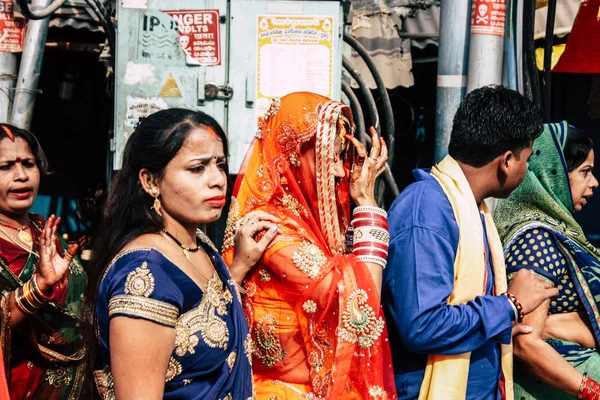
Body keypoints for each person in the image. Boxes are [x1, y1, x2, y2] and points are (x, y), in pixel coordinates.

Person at [85, 108, 278, 399]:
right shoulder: (145, 274)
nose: (217, 179)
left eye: (220, 164)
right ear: (151, 182)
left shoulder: (195, 242)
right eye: (197, 168)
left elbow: (207, 309)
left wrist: (237, 268)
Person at [382, 85, 560, 400]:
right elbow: (422, 325)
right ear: (506, 161)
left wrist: (499, 327)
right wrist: (509, 306)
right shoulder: (428, 210)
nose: (527, 170)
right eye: (527, 160)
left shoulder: (471, 209)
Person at [222, 92, 396, 399]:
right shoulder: (274, 231)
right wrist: (366, 204)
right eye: (332, 158)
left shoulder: (302, 223)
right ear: (296, 156)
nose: (342, 172)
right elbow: (360, 305)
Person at [495, 121, 600, 399]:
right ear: (553, 174)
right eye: (585, 172)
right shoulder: (537, 240)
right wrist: (591, 391)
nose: (594, 183)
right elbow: (526, 343)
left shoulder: (559, 231)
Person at [0, 123, 85, 399]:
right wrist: (36, 288)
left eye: (29, 164)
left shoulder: (45, 230)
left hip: (74, 382)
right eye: (5, 167)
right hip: (18, 385)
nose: (21, 176)